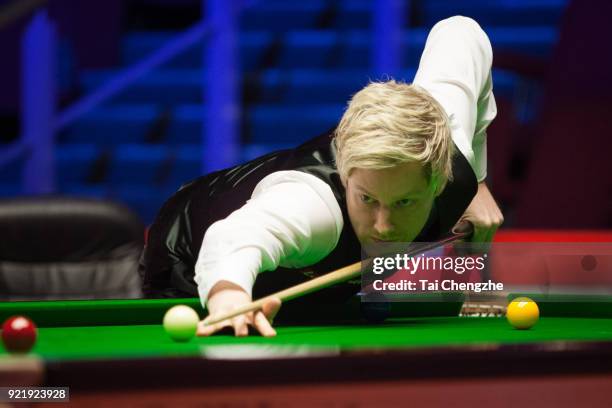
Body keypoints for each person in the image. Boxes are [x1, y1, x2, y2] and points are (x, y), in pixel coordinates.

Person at [140, 16, 503, 337]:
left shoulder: (453, 155)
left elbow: (461, 32)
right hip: (188, 249)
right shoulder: (311, 208)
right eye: (367, 199)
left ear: (438, 181)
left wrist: (478, 183)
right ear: (347, 174)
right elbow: (235, 238)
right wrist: (228, 296)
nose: (384, 226)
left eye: (404, 202)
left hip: (307, 264)